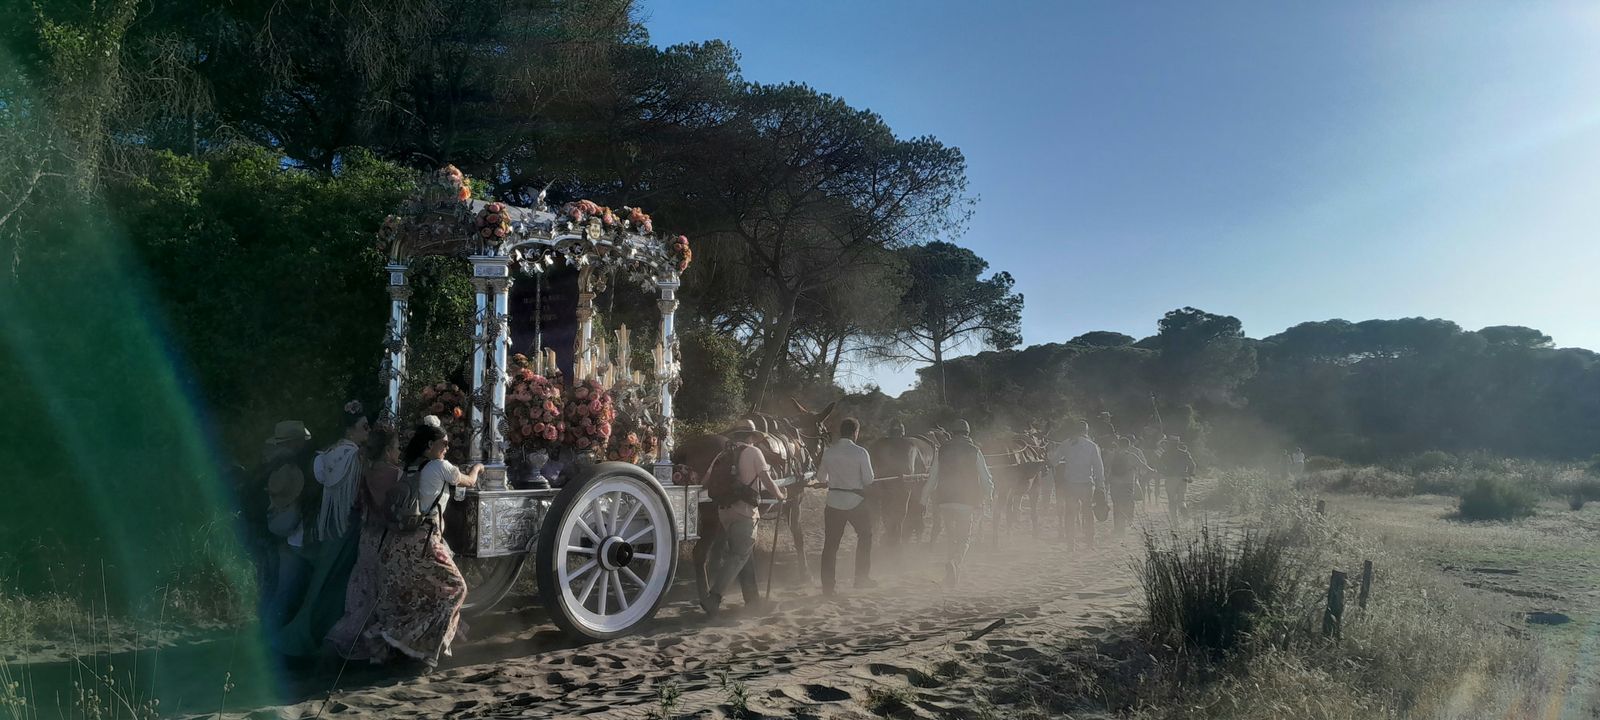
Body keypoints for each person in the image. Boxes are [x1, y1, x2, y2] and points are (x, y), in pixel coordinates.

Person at [346, 423, 481, 670]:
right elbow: (469, 482)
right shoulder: (440, 466)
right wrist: (479, 467)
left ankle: (389, 642)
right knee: (456, 589)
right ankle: (425, 651)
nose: (448, 447)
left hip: (396, 542)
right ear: (430, 446)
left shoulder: (406, 468)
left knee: (409, 598)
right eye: (445, 443)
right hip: (424, 542)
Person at [274, 402, 372, 657]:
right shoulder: (353, 456)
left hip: (327, 526)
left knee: (324, 583)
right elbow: (356, 495)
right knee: (332, 584)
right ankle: (314, 639)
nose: (368, 431)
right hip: (345, 527)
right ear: (352, 429)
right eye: (364, 427)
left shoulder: (328, 452)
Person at [325, 422, 401, 657]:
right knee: (386, 592)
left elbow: (358, 505)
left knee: (363, 591)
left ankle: (345, 637)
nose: (399, 452)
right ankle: (378, 646)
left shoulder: (365, 472)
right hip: (388, 538)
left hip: (367, 536)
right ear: (388, 451)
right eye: (397, 447)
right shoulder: (397, 474)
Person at [702, 438, 785, 617]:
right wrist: (780, 495)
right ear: (751, 437)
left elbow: (706, 481)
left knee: (744, 554)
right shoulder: (754, 452)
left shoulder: (722, 454)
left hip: (724, 512)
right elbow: (766, 479)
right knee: (739, 555)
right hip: (745, 511)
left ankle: (752, 600)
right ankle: (714, 598)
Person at [921, 420, 993, 587]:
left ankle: (951, 576)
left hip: (945, 501)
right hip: (966, 502)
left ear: (953, 433)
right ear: (968, 433)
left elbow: (932, 478)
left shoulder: (942, 450)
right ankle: (954, 563)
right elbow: (986, 479)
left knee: (950, 537)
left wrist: (923, 499)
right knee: (964, 539)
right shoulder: (974, 450)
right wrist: (989, 499)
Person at [262, 420, 314, 631]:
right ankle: (271, 635)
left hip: (275, 525)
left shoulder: (270, 461)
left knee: (274, 586)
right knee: (285, 591)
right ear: (295, 442)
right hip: (292, 531)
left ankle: (267, 630)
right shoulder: (293, 464)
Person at [817, 418, 877, 596]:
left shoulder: (829, 452)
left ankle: (828, 587)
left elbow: (821, 478)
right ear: (855, 432)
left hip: (833, 502)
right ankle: (861, 578)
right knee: (865, 536)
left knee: (830, 545)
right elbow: (869, 480)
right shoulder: (861, 452)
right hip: (855, 502)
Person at [1049, 421, 1104, 548]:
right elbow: (1098, 468)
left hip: (1070, 484)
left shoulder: (1066, 443)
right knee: (1087, 513)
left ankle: (1070, 543)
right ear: (1086, 431)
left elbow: (1054, 462)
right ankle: (1090, 542)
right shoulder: (1092, 445)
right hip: (1086, 484)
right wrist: (1100, 486)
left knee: (1070, 513)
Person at [1106, 437, 1155, 536]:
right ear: (1128, 446)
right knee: (1125, 504)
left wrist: (1106, 479)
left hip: (1114, 483)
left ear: (1118, 445)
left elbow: (1106, 467)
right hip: (1128, 483)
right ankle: (1122, 528)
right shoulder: (1131, 456)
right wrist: (1153, 470)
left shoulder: (1112, 455)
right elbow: (1143, 465)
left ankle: (1117, 528)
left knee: (1116, 505)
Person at [1159, 437, 1198, 523]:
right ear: (1178, 444)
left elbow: (1159, 466)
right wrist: (1191, 475)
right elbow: (1192, 465)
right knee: (1181, 499)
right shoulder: (1184, 453)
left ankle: (1174, 520)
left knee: (1171, 500)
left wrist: (1163, 473)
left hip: (1170, 478)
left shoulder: (1165, 454)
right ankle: (1184, 510)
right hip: (1183, 478)